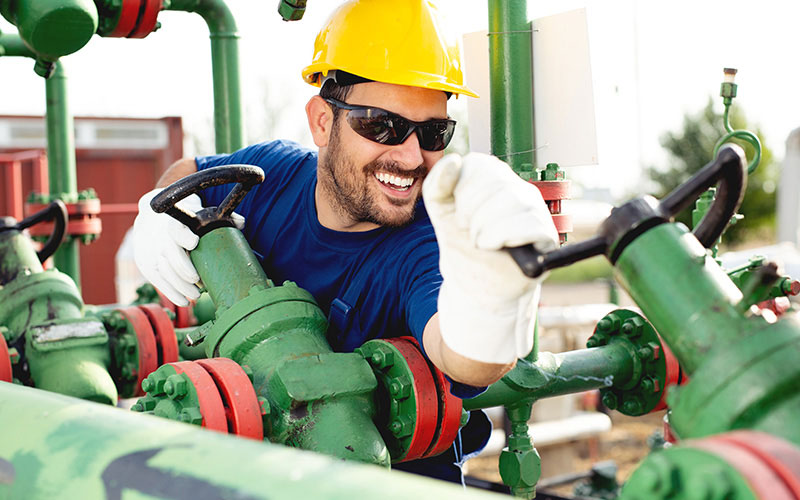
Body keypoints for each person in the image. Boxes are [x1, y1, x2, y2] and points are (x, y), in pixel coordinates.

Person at [133, 0, 558, 483]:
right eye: (381, 126)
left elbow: (465, 357)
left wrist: (498, 291)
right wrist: (154, 208)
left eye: (433, 132)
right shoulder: (270, 173)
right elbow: (189, 173)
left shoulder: (425, 245)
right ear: (321, 122)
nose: (412, 155)